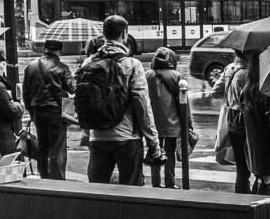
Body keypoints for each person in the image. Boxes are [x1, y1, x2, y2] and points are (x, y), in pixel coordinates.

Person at [80, 15, 159, 186]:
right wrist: (152, 139)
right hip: (127, 137)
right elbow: (142, 105)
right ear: (124, 34)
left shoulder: (88, 62)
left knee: (98, 189)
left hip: (97, 136)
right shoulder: (132, 64)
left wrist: (87, 131)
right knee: (131, 190)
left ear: (104, 34)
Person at [22, 38, 75, 180]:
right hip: (56, 111)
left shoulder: (31, 66)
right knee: (57, 148)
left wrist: (31, 112)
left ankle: (44, 177)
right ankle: (57, 181)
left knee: (43, 146)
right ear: (60, 51)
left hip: (37, 110)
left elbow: (25, 92)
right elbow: (72, 88)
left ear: (45, 49)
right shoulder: (62, 67)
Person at [145, 47, 193, 188]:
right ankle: (170, 182)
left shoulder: (148, 75)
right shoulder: (176, 76)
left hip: (152, 122)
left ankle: (156, 182)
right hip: (172, 122)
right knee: (170, 152)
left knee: (154, 150)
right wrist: (187, 123)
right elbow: (183, 103)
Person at [240, 51, 270, 196]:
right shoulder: (267, 94)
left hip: (255, 150)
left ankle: (250, 209)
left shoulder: (247, 92)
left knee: (260, 182)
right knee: (266, 187)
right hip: (268, 152)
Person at [223, 51, 253, 193]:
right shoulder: (245, 74)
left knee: (241, 167)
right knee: (246, 167)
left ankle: (241, 194)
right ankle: (244, 196)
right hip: (243, 122)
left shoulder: (231, 70)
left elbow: (217, 91)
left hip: (232, 120)